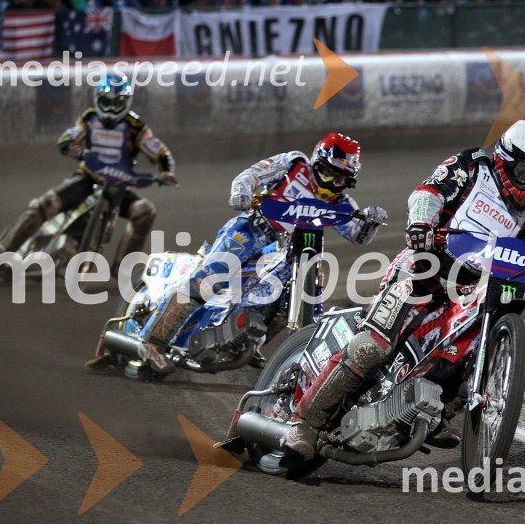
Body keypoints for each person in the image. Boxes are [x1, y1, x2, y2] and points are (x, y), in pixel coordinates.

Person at [283, 120, 525, 459]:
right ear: (510, 160)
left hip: (465, 290)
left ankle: (438, 415)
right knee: (372, 347)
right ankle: (303, 423)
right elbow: (429, 191)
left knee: (466, 352)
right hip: (422, 267)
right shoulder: (472, 166)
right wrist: (422, 223)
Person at [137, 132, 388, 371]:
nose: (332, 182)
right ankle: (152, 342)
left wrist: (372, 222)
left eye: (340, 179)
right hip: (252, 228)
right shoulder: (294, 164)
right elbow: (251, 176)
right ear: (316, 161)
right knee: (211, 277)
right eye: (327, 172)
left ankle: (248, 340)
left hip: (291, 246)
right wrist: (241, 193)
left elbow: (358, 236)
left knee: (289, 296)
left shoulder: (342, 204)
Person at [0, 74, 177, 273]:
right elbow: (67, 138)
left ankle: (124, 268)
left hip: (118, 186)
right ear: (98, 99)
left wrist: (167, 172)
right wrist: (77, 150)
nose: (110, 108)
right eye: (106, 102)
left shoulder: (136, 127)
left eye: (117, 103)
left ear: (126, 102)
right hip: (87, 178)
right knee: (45, 203)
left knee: (145, 211)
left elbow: (159, 151)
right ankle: (3, 253)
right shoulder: (89, 118)